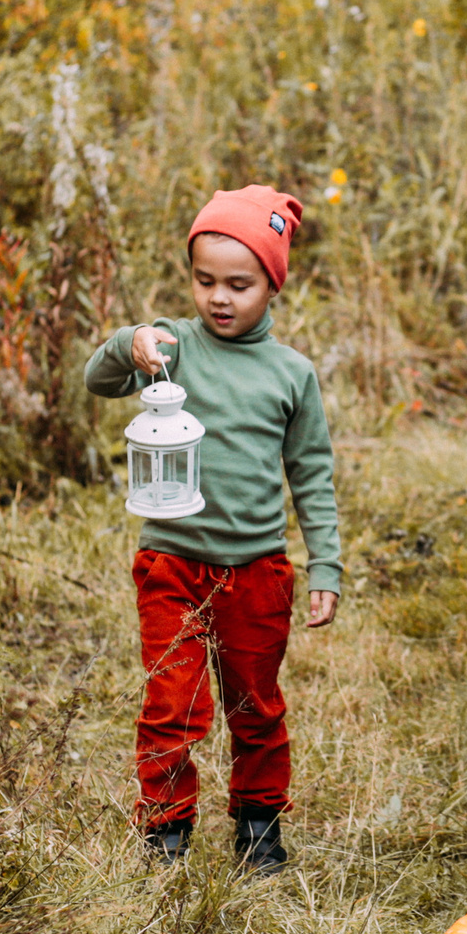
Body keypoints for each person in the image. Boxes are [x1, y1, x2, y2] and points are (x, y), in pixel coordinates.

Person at [85, 185, 341, 874]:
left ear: (272, 285)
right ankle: (165, 834)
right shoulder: (173, 350)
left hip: (256, 570)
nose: (219, 298)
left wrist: (327, 566)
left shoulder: (291, 374)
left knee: (255, 704)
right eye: (204, 281)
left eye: (239, 283)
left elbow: (311, 473)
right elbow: (98, 377)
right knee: (173, 699)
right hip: (171, 562)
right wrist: (126, 342)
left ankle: (259, 830)